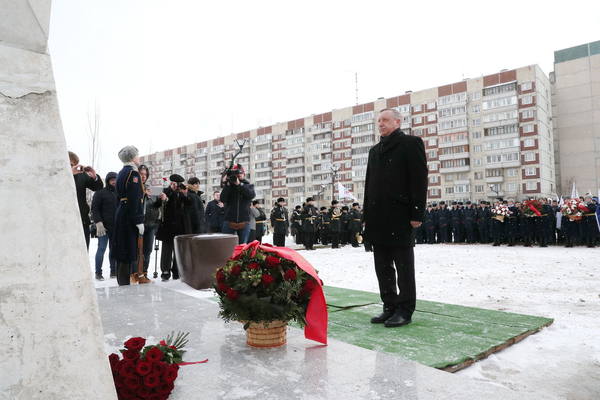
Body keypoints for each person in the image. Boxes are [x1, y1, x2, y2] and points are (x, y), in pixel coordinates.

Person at [363, 108, 427, 328]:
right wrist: (366, 217)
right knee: (382, 267)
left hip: (400, 216)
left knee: (403, 266)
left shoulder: (411, 143)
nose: (381, 123)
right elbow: (369, 187)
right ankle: (389, 306)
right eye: (379, 120)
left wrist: (417, 212)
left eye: (385, 120)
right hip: (377, 217)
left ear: (397, 122)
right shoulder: (374, 151)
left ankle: (405, 309)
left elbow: (419, 180)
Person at [113, 146, 150, 285]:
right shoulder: (133, 174)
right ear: (132, 157)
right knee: (127, 250)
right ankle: (124, 284)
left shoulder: (122, 172)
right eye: (137, 155)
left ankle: (122, 281)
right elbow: (134, 199)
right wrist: (138, 220)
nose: (139, 158)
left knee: (122, 248)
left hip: (122, 213)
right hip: (129, 215)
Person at [156, 174, 191, 281]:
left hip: (180, 227)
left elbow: (189, 203)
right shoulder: (166, 191)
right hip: (168, 227)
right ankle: (165, 271)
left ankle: (176, 271)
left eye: (177, 184)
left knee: (178, 251)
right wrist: (168, 194)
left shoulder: (181, 193)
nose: (175, 185)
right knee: (167, 250)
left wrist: (184, 194)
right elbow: (157, 204)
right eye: (173, 183)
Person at [68, 151, 103, 249]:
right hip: (66, 221)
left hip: (82, 220)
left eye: (75, 165)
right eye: (71, 165)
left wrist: (95, 176)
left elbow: (98, 187)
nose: (73, 167)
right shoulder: (59, 175)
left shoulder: (81, 176)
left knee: (84, 250)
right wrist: (70, 173)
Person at [91, 172, 118, 280]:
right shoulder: (100, 193)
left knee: (113, 250)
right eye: (112, 179)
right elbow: (94, 209)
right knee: (101, 249)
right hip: (103, 227)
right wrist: (98, 223)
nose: (114, 181)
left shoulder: (120, 193)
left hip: (115, 227)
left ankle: (113, 272)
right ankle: (98, 273)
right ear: (107, 181)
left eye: (115, 179)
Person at [220, 164, 256, 244]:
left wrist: (239, 184)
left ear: (244, 174)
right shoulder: (229, 186)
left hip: (244, 222)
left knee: (242, 247)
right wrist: (227, 185)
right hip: (229, 221)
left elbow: (251, 195)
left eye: (240, 174)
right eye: (237, 174)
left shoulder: (248, 185)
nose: (238, 176)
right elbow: (223, 199)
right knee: (226, 245)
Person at [139, 165, 161, 279]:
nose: (143, 176)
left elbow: (155, 205)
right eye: (141, 174)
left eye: (145, 175)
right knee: (138, 251)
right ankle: (135, 273)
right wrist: (143, 194)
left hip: (151, 225)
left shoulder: (151, 189)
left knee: (147, 251)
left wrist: (161, 199)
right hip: (138, 225)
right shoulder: (135, 187)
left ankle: (145, 273)